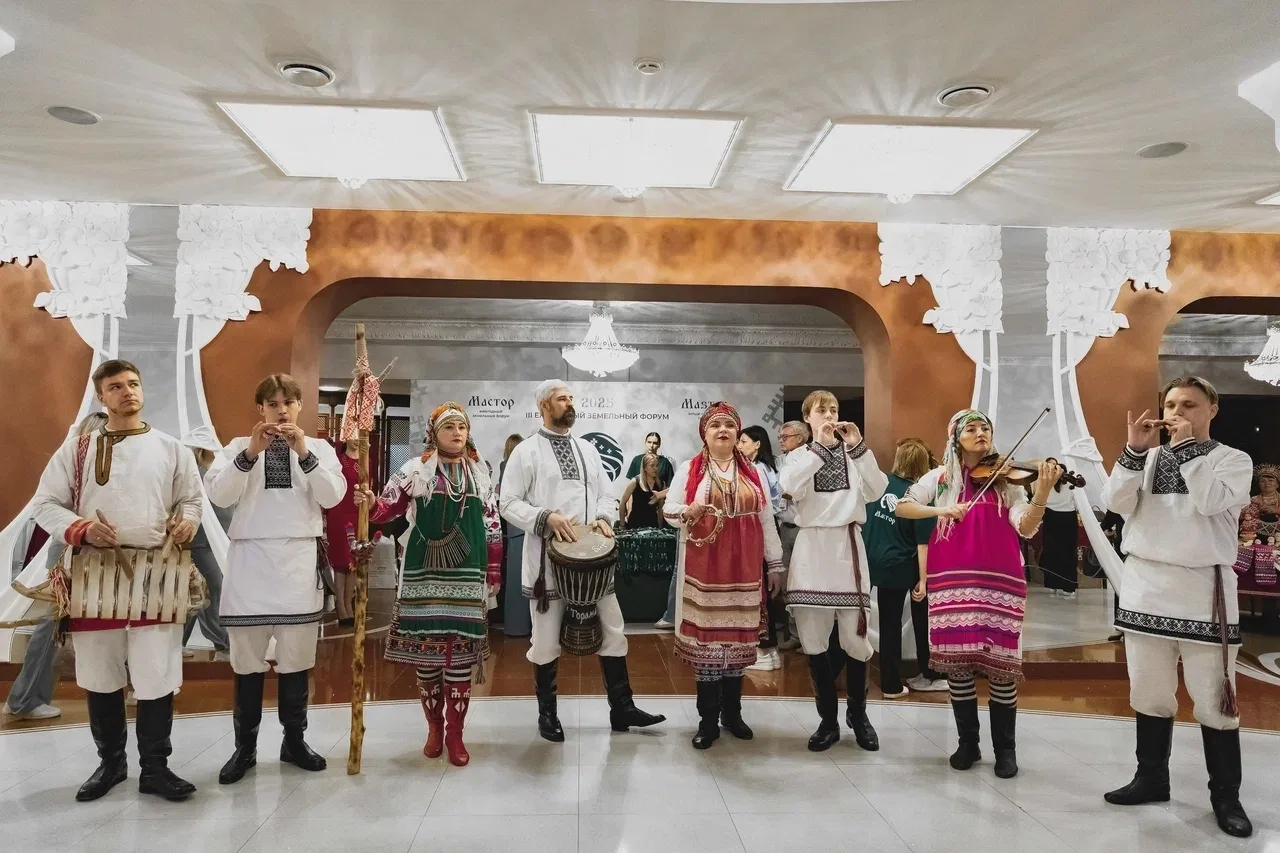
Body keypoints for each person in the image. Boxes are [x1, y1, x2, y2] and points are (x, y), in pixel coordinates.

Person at [31, 360, 202, 802]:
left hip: (157, 572)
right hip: (94, 574)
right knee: (100, 673)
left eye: (133, 383)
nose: (128, 391)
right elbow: (45, 503)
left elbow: (191, 500)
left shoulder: (172, 448)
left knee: (157, 674)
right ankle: (110, 765)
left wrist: (187, 521)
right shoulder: (77, 449)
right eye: (116, 386)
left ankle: (155, 770)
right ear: (100, 396)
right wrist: (83, 529)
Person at [1101, 376, 1253, 838]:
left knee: (1214, 700)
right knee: (1149, 692)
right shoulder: (1147, 459)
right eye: (1170, 404)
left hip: (1204, 590)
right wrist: (1132, 451)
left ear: (1212, 409)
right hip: (1147, 586)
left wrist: (1187, 450)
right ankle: (1151, 779)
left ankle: (1225, 796)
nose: (1176, 413)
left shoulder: (1233, 459)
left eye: (1188, 404)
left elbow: (1209, 502)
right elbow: (1114, 503)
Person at [895, 409, 1061, 780]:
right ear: (955, 437)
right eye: (971, 428)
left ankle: (1006, 750)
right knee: (958, 665)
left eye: (985, 427)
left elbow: (1026, 527)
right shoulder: (940, 478)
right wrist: (942, 508)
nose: (980, 432)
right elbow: (902, 506)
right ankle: (967, 743)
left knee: (1001, 667)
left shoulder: (1007, 482)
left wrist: (1041, 494)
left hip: (999, 580)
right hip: (951, 579)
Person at [499, 379, 666, 741]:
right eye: (562, 399)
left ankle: (622, 708)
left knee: (614, 631)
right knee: (545, 640)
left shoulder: (587, 449)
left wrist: (604, 518)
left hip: (594, 563)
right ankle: (547, 714)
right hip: (548, 564)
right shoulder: (526, 452)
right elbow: (507, 502)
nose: (569, 403)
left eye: (571, 398)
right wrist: (545, 518)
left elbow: (607, 494)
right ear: (544, 406)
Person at [206, 374, 348, 785]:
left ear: (300, 405)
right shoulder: (238, 446)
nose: (281, 410)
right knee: (246, 662)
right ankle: (245, 748)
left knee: (297, 659)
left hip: (297, 563)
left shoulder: (319, 448)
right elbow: (218, 495)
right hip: (250, 561)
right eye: (272, 404)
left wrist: (303, 451)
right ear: (261, 408)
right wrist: (251, 452)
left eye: (288, 402)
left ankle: (294, 742)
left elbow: (333, 496)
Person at [355, 402, 501, 767]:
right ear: (434, 434)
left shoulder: (479, 473)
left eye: (461, 427)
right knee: (427, 653)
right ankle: (435, 727)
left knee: (460, 654)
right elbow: (385, 510)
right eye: (449, 427)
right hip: (423, 572)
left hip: (467, 571)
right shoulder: (414, 469)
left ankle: (455, 733)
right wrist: (370, 502)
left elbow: (492, 523)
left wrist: (494, 568)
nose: (456, 433)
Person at [664, 403, 784, 749]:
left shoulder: (753, 472)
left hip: (744, 568)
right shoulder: (690, 469)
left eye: (730, 426)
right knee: (709, 646)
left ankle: (733, 714)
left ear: (737, 433)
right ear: (704, 433)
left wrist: (775, 563)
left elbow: (766, 519)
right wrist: (687, 510)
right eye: (715, 425)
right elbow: (669, 511)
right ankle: (708, 721)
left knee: (738, 644)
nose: (723, 430)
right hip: (705, 568)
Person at [779, 390, 887, 752]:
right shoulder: (798, 456)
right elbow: (790, 486)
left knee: (856, 640)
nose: (829, 414)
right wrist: (820, 449)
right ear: (807, 417)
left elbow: (878, 489)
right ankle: (827, 720)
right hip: (812, 549)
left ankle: (859, 714)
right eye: (821, 410)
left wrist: (858, 447)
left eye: (834, 409)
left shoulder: (854, 454)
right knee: (813, 640)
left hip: (847, 546)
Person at [3, 413, 109, 722]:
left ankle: (26, 699)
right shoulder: (80, 465)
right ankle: (24, 700)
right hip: (70, 550)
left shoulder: (76, 463)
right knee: (51, 629)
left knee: (56, 628)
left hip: (73, 549)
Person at [864, 437, 946, 698]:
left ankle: (886, 680)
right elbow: (923, 544)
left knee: (881, 624)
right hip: (899, 565)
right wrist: (923, 580)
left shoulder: (879, 484)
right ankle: (901, 681)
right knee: (901, 625)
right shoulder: (917, 497)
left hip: (871, 562)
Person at [738, 425, 785, 672]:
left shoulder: (756, 470)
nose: (739, 446)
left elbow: (765, 510)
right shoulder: (765, 468)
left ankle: (763, 651)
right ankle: (769, 651)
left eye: (743, 441)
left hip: (758, 534)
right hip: (761, 533)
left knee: (759, 594)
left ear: (757, 444)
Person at [181, 426, 230, 658]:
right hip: (201, 544)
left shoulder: (217, 472)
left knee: (199, 592)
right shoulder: (194, 476)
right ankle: (221, 642)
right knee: (211, 590)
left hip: (216, 543)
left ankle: (179, 641)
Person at [774, 420, 810, 651]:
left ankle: (807, 636)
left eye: (785, 437)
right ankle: (794, 633)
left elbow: (793, 490)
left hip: (802, 528)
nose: (781, 440)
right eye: (780, 437)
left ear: (799, 438)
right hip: (784, 527)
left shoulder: (808, 458)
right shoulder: (782, 460)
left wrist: (783, 491)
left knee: (802, 582)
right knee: (786, 582)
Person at [324, 440, 361, 626]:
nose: (357, 439)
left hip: (359, 514)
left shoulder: (367, 460)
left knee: (355, 560)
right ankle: (340, 604)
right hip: (339, 513)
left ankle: (348, 603)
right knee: (341, 561)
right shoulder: (337, 460)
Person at [1040, 481, 1080, 598]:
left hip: (1050, 515)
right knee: (1068, 551)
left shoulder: (1047, 480)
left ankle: (1052, 584)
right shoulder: (1071, 481)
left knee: (1051, 550)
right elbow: (1078, 501)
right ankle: (1068, 586)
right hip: (1068, 516)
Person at [620, 452, 668, 530]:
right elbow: (622, 502)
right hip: (634, 525)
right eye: (652, 466)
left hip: (652, 526)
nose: (655, 468)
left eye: (657, 465)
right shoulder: (635, 481)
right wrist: (622, 525)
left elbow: (660, 508)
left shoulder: (661, 484)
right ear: (644, 467)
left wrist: (660, 527)